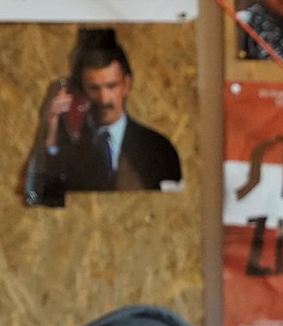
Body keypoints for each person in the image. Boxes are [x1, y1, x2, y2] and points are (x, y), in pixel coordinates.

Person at [26, 31, 182, 201]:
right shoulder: (69, 153)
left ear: (126, 85)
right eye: (94, 88)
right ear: (81, 90)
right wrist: (51, 130)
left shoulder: (159, 150)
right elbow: (46, 204)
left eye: (111, 86)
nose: (103, 99)